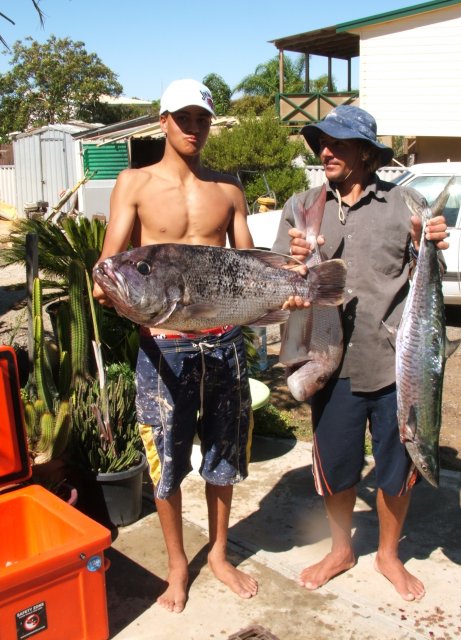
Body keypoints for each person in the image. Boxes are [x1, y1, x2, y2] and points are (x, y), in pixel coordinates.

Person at [93, 78, 258, 613]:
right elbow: (107, 266)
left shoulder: (229, 189)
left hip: (224, 342)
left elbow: (248, 269)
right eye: (183, 118)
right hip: (165, 346)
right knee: (165, 461)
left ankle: (219, 555)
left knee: (224, 455)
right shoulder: (134, 183)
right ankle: (177, 567)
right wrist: (113, 294)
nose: (194, 128)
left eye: (202, 118)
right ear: (162, 121)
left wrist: (283, 293)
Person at [272, 105, 449, 602]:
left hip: (396, 365)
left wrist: (432, 239)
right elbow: (284, 283)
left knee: (397, 467)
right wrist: (295, 264)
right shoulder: (302, 205)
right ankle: (340, 549)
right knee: (338, 464)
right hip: (328, 362)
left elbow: (426, 273)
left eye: (338, 143)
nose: (324, 151)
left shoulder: (405, 202)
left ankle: (388, 554)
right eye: (320, 143)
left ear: (367, 154)